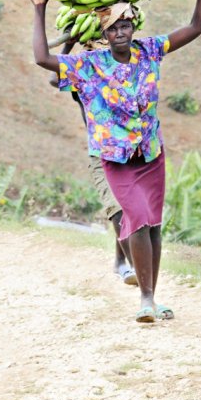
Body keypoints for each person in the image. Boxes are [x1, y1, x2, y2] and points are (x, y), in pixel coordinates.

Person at [32, 0, 201, 322]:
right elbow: (43, 59)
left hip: (150, 153)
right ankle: (145, 300)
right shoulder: (89, 65)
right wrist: (39, 8)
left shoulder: (150, 51)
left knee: (154, 225)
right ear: (104, 32)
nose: (120, 32)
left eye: (125, 25)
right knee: (137, 220)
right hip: (115, 159)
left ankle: (152, 298)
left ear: (133, 27)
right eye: (113, 27)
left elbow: (195, 28)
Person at [48, 41, 136, 287]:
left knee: (129, 209)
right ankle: (135, 271)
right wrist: (69, 43)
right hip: (102, 152)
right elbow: (55, 79)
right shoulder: (85, 80)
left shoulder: (120, 76)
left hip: (130, 149)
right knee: (117, 209)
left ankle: (121, 262)